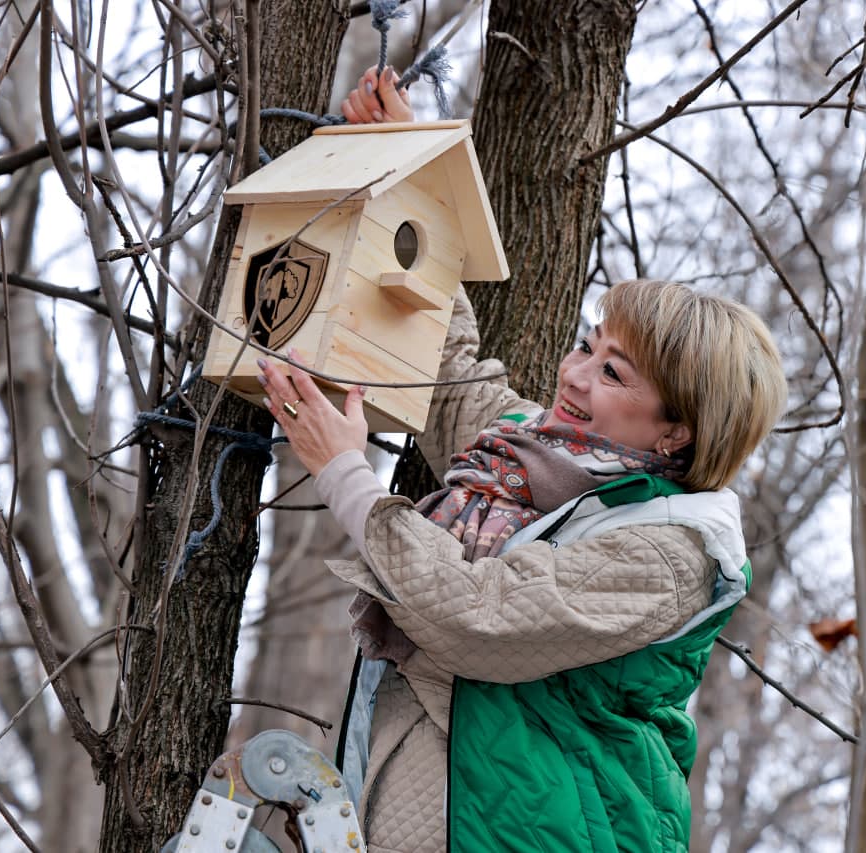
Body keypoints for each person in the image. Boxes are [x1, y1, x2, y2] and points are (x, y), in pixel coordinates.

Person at [254, 73, 787, 853]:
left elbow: (484, 616)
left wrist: (346, 475)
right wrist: (413, 167)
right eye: (587, 348)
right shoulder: (531, 456)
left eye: (613, 374)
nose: (573, 377)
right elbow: (449, 366)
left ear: (678, 433)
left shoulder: (672, 552)